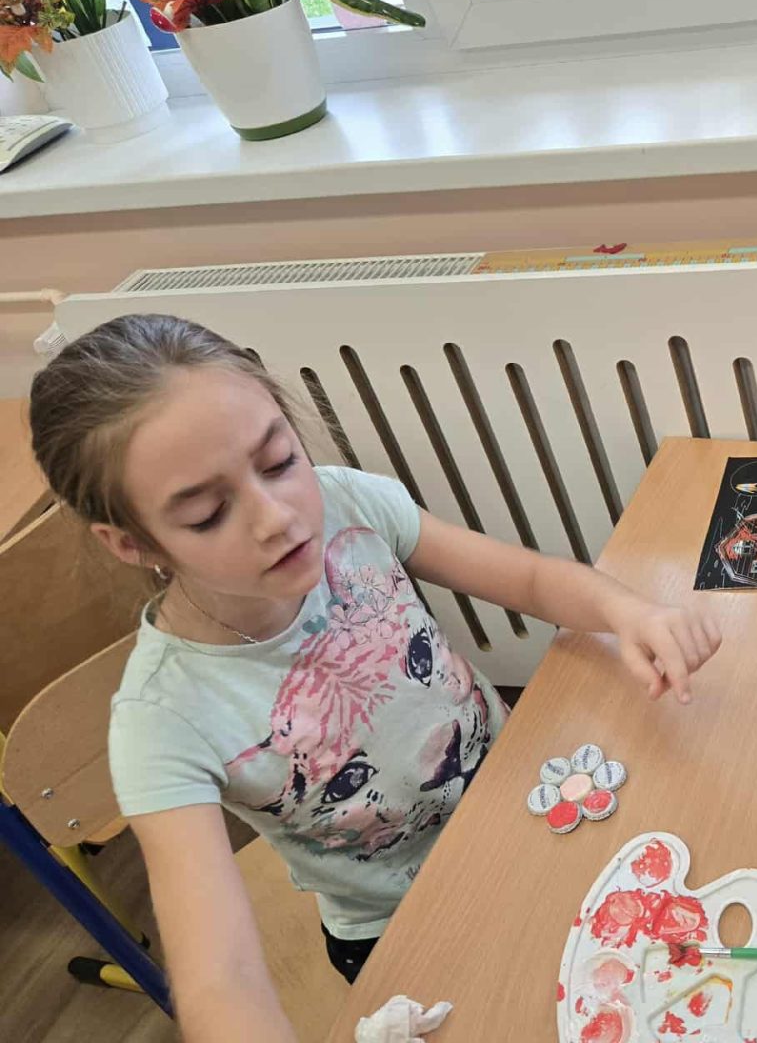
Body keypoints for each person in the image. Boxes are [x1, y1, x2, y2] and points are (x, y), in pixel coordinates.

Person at [30, 314, 721, 1041]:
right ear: (132, 543)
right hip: (404, 923)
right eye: (207, 513)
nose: (277, 517)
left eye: (279, 461)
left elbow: (527, 578)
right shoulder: (160, 721)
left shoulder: (348, 507)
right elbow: (220, 979)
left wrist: (629, 611)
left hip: (525, 804)